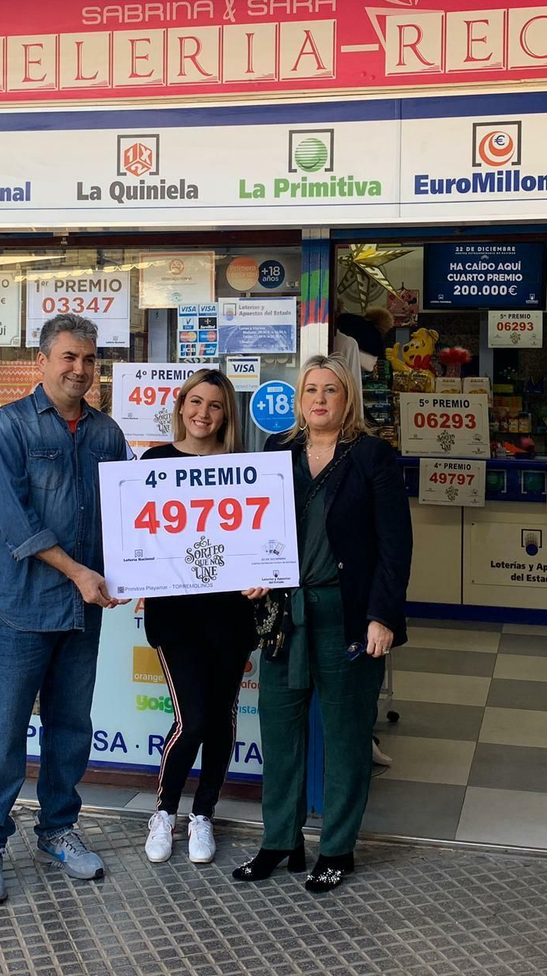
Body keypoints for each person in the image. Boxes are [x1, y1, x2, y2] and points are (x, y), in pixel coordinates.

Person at [0, 313, 130, 905]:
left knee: (70, 730)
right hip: (21, 610)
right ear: (42, 361)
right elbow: (18, 525)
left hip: (82, 612)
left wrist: (132, 567)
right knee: (4, 732)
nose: (79, 370)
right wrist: (82, 572)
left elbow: (126, 513)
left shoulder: (108, 434)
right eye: (68, 358)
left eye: (89, 360)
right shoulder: (5, 429)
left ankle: (58, 831)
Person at [233, 354, 412, 893]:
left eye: (330, 390)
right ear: (298, 400)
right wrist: (258, 572)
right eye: (310, 389)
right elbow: (259, 528)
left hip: (349, 616)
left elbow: (394, 547)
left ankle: (337, 848)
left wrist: (382, 615)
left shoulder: (373, 456)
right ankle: (280, 840)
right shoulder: (276, 453)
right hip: (287, 615)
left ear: (347, 399)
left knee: (346, 735)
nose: (318, 399)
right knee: (280, 729)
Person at [138, 369, 258, 865]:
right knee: (193, 720)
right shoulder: (155, 462)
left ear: (226, 413)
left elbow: (258, 538)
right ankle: (164, 812)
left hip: (230, 613)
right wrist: (134, 578)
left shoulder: (243, 467)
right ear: (181, 405)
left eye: (214, 405)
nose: (202, 413)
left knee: (222, 720)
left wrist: (266, 574)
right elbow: (140, 536)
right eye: (195, 402)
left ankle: (202, 814)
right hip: (177, 616)